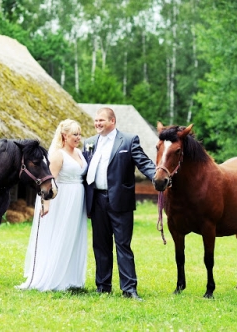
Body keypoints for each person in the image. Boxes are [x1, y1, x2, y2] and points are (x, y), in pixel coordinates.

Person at [83, 107, 156, 301]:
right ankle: (103, 286)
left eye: (101, 120)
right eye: (96, 120)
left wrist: (156, 176)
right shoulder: (89, 143)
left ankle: (129, 289)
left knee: (123, 245)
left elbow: (144, 162)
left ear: (112, 121)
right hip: (96, 200)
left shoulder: (129, 140)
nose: (97, 123)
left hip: (120, 201)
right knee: (100, 245)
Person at [16, 119, 88, 291]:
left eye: (79, 134)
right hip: (61, 200)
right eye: (74, 134)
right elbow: (49, 183)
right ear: (64, 135)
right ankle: (54, 277)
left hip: (78, 200)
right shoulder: (57, 155)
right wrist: (45, 204)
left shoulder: (79, 152)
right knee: (60, 234)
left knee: (73, 236)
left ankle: (71, 278)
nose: (78, 137)